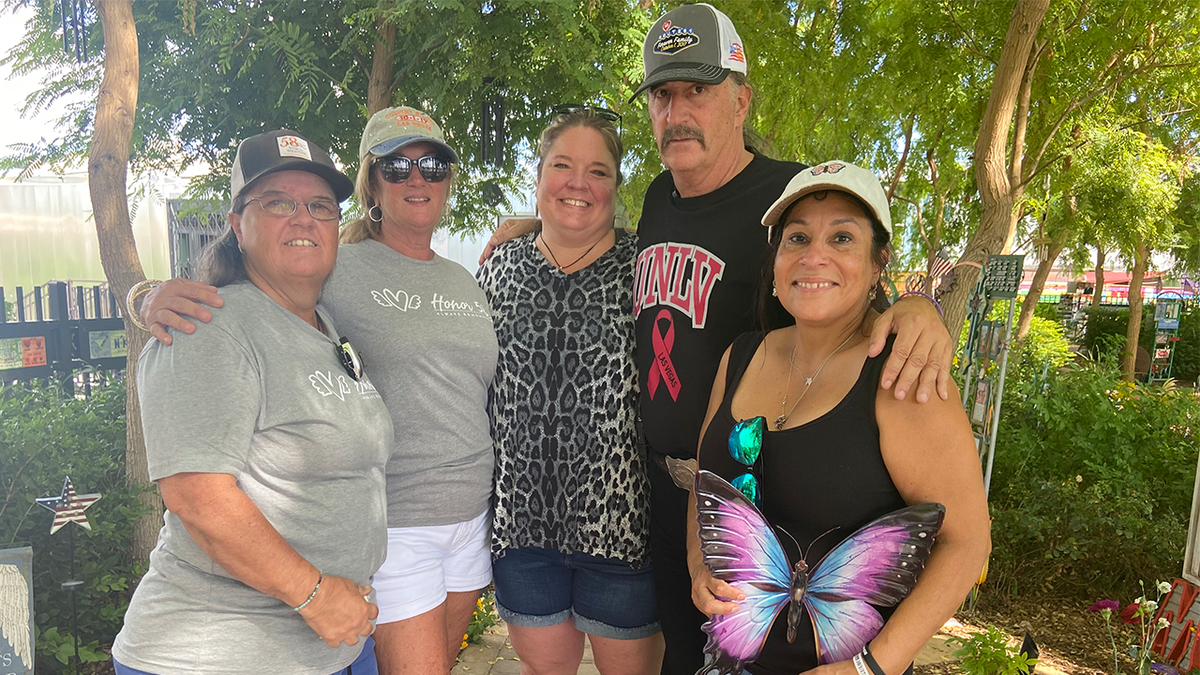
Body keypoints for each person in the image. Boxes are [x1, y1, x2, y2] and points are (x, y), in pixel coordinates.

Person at [480, 5, 956, 673]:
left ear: (741, 99)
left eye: (698, 92)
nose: (677, 112)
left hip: (761, 500)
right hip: (660, 499)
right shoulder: (654, 197)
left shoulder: (786, 196)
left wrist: (918, 304)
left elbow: (852, 284)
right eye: (663, 94)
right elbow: (592, 232)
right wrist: (536, 221)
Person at [135, 108, 499, 675]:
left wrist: (532, 222)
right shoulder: (318, 280)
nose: (418, 178)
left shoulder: (329, 319)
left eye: (432, 164)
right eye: (397, 166)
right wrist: (145, 296)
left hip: (448, 531)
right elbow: (197, 490)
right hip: (248, 631)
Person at [687, 160, 991, 675]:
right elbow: (704, 483)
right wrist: (700, 565)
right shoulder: (741, 356)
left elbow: (967, 541)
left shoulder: (901, 375)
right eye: (797, 237)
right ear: (776, 261)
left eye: (843, 238)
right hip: (732, 658)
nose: (815, 256)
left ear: (878, 265)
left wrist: (871, 668)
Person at [112, 130, 391, 675]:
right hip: (222, 651)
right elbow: (197, 496)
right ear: (238, 225)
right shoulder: (208, 327)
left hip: (328, 646)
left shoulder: (321, 323)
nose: (304, 218)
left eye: (320, 206)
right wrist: (314, 595)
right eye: (278, 203)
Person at [477, 109, 662, 675]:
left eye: (598, 171)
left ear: (616, 187)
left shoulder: (645, 266)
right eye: (562, 165)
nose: (578, 183)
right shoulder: (497, 266)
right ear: (537, 177)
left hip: (622, 530)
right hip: (523, 529)